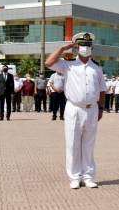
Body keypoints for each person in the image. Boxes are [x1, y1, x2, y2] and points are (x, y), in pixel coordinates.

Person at [45, 32, 107, 189]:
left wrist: (100, 108)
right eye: (81, 46)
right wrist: (62, 48)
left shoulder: (97, 67)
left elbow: (101, 90)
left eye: (87, 46)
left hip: (92, 109)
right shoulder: (68, 64)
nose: (85, 49)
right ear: (76, 47)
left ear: (92, 47)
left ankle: (88, 176)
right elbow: (48, 62)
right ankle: (74, 176)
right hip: (74, 108)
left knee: (88, 144)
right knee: (72, 144)